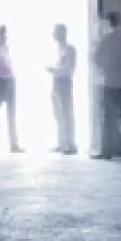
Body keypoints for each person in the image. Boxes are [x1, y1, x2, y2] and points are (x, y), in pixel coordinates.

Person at [91, 11, 121, 160]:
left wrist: (105, 70)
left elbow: (96, 60)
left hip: (109, 80)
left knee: (107, 118)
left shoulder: (104, 40)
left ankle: (106, 151)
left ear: (108, 22)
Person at [0, 25, 25, 153]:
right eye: (2, 33)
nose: (4, 35)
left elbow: (13, 63)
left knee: (11, 114)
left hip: (10, 81)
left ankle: (14, 144)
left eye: (5, 33)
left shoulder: (9, 48)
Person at [46, 23, 77, 155]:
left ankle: (70, 144)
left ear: (63, 33)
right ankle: (61, 143)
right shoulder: (58, 49)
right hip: (56, 83)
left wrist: (54, 70)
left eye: (56, 32)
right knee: (58, 115)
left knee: (67, 114)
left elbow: (69, 69)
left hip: (64, 82)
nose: (54, 35)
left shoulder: (70, 49)